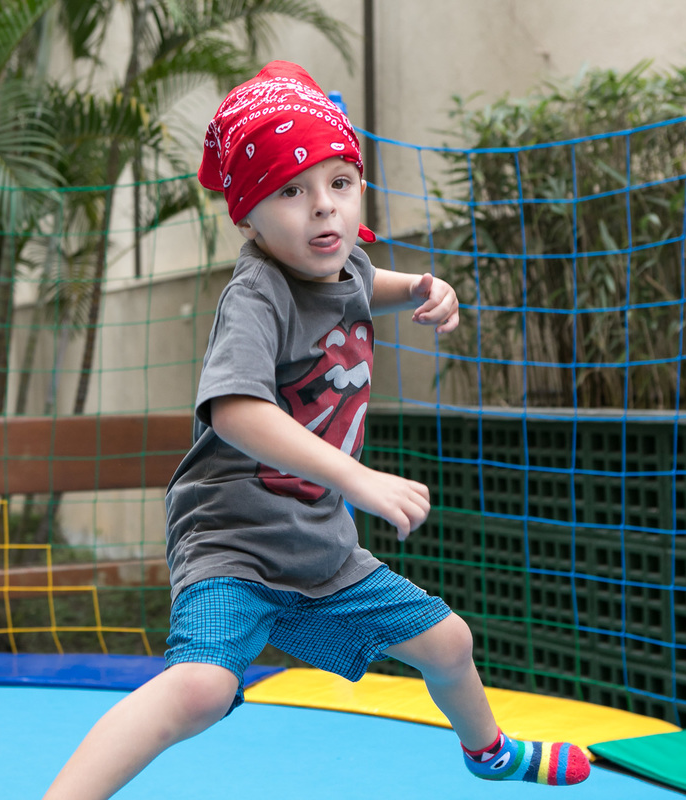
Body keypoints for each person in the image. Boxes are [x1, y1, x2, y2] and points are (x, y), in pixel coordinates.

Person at [43, 61, 590, 799]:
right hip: (232, 542)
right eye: (292, 192)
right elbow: (235, 411)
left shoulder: (345, 265)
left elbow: (371, 283)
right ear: (247, 214)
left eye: (340, 183)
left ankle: (487, 752)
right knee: (201, 691)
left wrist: (425, 289)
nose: (323, 209)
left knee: (450, 641)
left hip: (319, 550)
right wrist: (354, 476)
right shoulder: (258, 292)